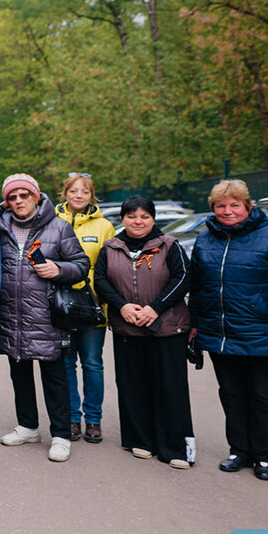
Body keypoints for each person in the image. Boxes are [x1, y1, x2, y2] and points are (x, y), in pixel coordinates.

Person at [189, 179, 268, 481]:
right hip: (219, 334)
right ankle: (239, 450)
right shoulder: (205, 240)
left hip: (262, 333)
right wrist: (193, 324)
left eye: (234, 205)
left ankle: (265, 456)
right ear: (213, 208)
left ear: (247, 206)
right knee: (230, 394)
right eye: (220, 206)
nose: (227, 211)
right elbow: (198, 288)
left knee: (261, 396)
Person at [0, 173, 89, 462]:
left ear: (36, 196)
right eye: (13, 196)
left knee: (54, 377)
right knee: (19, 373)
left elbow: (82, 265)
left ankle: (60, 435)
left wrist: (59, 269)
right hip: (12, 315)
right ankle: (28, 426)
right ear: (7, 202)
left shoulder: (58, 227)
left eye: (24, 195)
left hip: (48, 316)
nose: (19, 201)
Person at [93, 196, 193, 468]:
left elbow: (183, 278)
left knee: (170, 388)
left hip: (167, 329)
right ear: (123, 218)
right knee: (132, 385)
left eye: (144, 216)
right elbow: (100, 280)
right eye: (132, 216)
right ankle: (140, 440)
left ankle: (175, 447)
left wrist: (155, 308)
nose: (138, 222)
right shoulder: (111, 247)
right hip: (127, 326)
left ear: (153, 218)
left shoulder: (169, 245)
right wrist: (121, 306)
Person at [55, 172, 116, 443]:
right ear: (65, 193)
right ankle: (71, 418)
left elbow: (111, 268)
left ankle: (94, 419)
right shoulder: (52, 221)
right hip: (61, 306)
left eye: (85, 192)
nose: (79, 196)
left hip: (92, 306)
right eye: (74, 191)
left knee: (92, 364)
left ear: (92, 196)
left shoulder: (104, 226)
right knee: (66, 364)